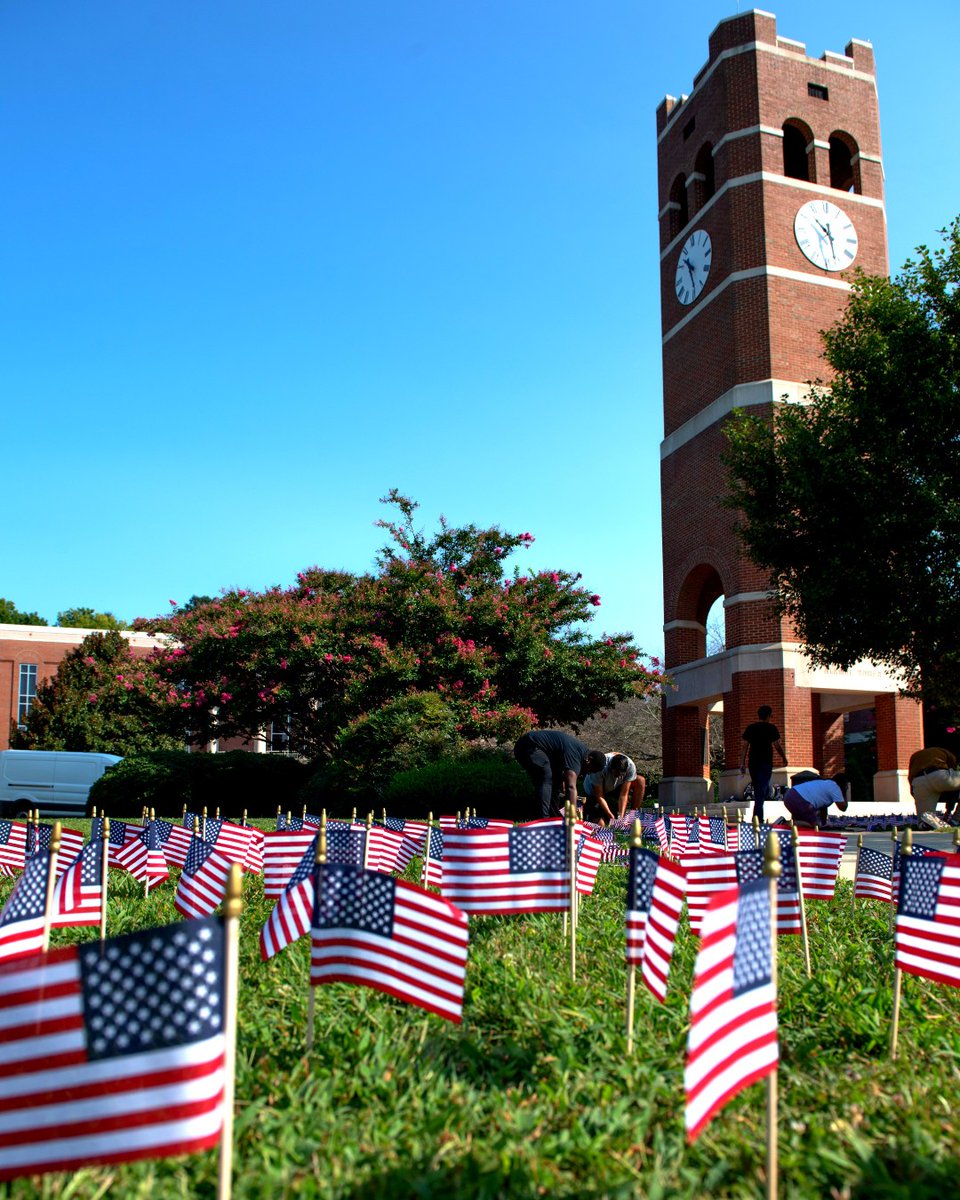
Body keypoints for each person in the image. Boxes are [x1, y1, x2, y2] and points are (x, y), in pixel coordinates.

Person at [513, 730, 605, 820]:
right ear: (589, 760)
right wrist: (573, 815)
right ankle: (543, 820)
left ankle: (554, 819)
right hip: (527, 745)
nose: (588, 772)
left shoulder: (582, 754)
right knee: (546, 777)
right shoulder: (576, 756)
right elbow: (571, 787)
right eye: (591, 769)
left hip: (538, 749)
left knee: (555, 783)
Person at [740, 705, 787, 822]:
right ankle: (757, 817)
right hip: (765, 763)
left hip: (753, 763)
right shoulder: (771, 728)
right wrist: (784, 757)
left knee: (760, 788)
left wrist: (742, 763)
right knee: (761, 789)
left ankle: (757, 815)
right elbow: (777, 746)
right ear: (769, 716)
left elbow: (744, 747)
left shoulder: (751, 728)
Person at [582, 753, 645, 825]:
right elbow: (599, 796)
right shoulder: (600, 767)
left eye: (621, 775)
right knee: (600, 824)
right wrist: (610, 815)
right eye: (616, 774)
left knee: (640, 780)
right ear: (611, 768)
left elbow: (624, 794)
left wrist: (621, 816)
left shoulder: (630, 767)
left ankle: (632, 816)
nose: (618, 777)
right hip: (593, 792)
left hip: (613, 787)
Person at [907, 746, 960, 828]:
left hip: (919, 781)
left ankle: (926, 825)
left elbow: (910, 778)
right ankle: (956, 820)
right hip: (940, 775)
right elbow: (954, 787)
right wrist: (949, 810)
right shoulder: (946, 752)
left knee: (925, 818)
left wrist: (917, 796)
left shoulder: (915, 756)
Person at [782, 772, 849, 828]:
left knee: (801, 822)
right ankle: (785, 824)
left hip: (790, 794)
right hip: (801, 800)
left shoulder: (825, 783)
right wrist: (844, 792)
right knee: (815, 826)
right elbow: (843, 807)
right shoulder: (835, 788)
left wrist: (824, 823)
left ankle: (791, 823)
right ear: (843, 784)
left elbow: (823, 807)